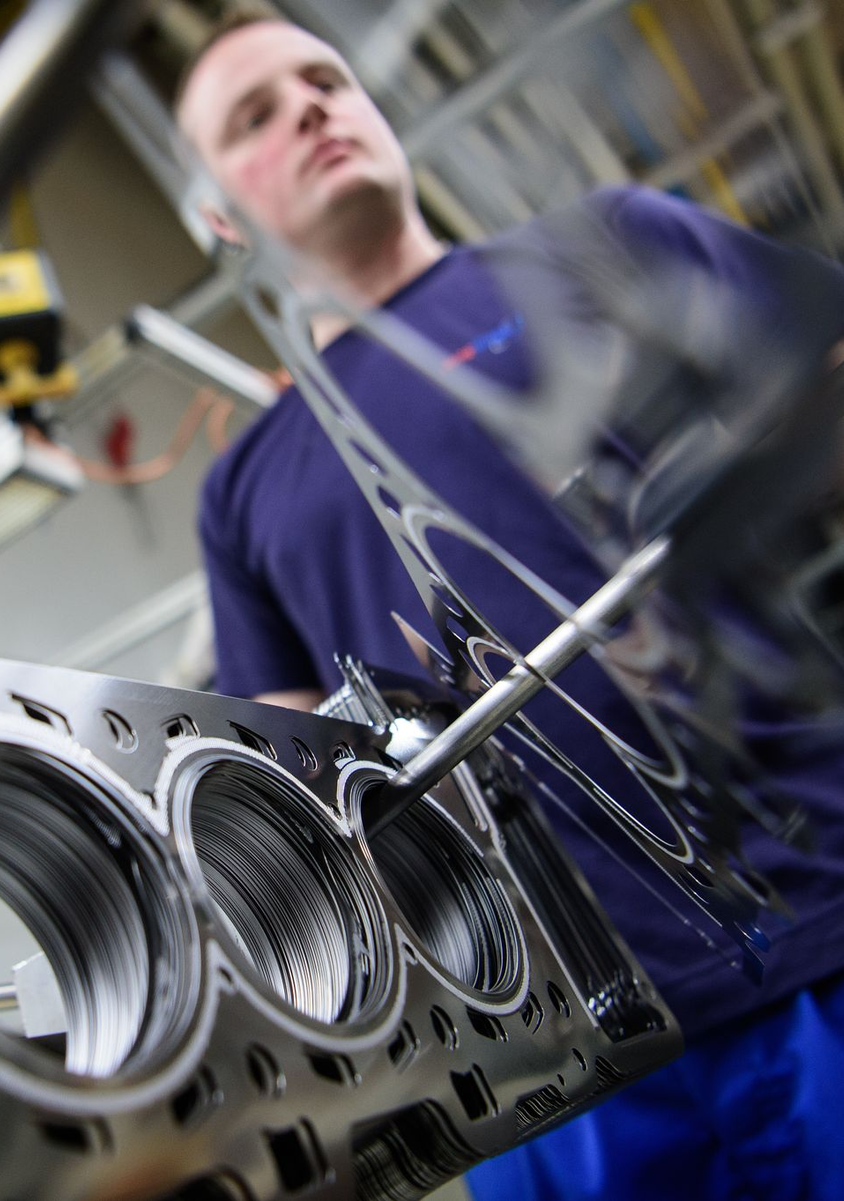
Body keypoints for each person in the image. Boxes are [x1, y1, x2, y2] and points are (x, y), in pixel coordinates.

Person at [176, 15, 844, 1201]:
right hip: (548, 1053)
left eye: (325, 78)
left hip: (815, 918)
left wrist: (760, 460)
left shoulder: (604, 246)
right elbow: (291, 790)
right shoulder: (243, 491)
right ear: (221, 216)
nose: (312, 107)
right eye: (255, 116)